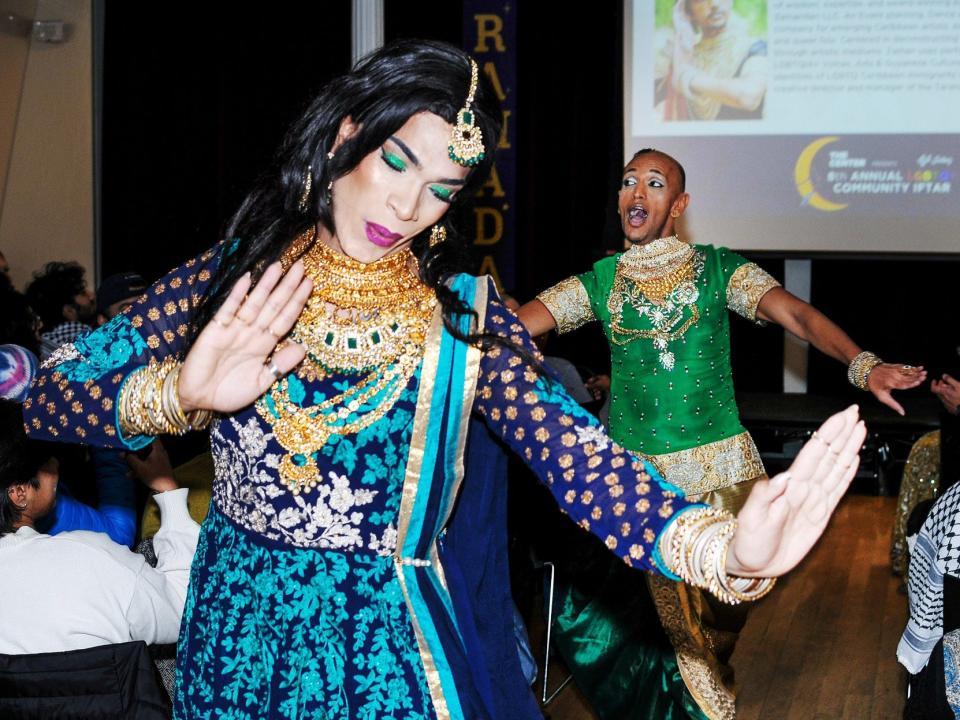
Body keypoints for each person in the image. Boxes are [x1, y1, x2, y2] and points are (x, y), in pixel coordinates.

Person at [26, 41, 865, 719]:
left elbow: (577, 460)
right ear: (343, 137)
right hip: (237, 630)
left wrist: (720, 550)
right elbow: (47, 396)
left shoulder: (460, 318)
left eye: (441, 190)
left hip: (381, 650)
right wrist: (179, 395)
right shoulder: (237, 276)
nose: (408, 208)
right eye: (395, 163)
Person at [517, 147, 923, 718]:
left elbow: (799, 317)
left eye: (655, 184)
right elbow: (515, 330)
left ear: (678, 204)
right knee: (611, 640)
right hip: (634, 490)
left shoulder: (718, 269)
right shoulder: (598, 282)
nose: (637, 193)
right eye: (629, 182)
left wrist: (863, 364)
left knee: (705, 650)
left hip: (724, 485)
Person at [0, 399, 198, 654]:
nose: (56, 464)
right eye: (46, 460)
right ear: (19, 494)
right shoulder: (89, 558)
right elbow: (184, 606)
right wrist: (169, 492)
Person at [655, 0, 767, 121]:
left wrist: (687, 78)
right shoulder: (679, 60)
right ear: (687, 11)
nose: (714, 4)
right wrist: (681, 41)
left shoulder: (754, 48)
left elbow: (749, 97)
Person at [25, 260, 97, 359]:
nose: (91, 296)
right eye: (83, 294)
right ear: (69, 311)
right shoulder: (82, 336)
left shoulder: (40, 344)